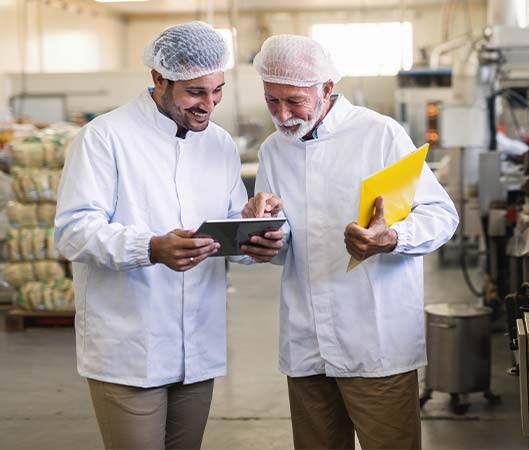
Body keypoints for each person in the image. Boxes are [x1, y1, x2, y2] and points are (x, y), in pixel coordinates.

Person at [54, 22, 267, 450]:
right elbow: (73, 232)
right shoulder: (105, 138)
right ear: (158, 79)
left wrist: (254, 239)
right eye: (195, 92)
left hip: (198, 347)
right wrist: (149, 248)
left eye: (217, 90)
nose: (209, 105)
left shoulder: (219, 144)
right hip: (132, 347)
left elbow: (225, 226)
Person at [241, 35, 459, 449]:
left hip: (374, 341)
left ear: (326, 88)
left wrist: (392, 237)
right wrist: (263, 236)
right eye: (272, 101)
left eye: (294, 101)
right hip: (306, 340)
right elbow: (282, 243)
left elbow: (440, 216)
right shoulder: (273, 150)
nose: (283, 115)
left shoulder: (379, 134)